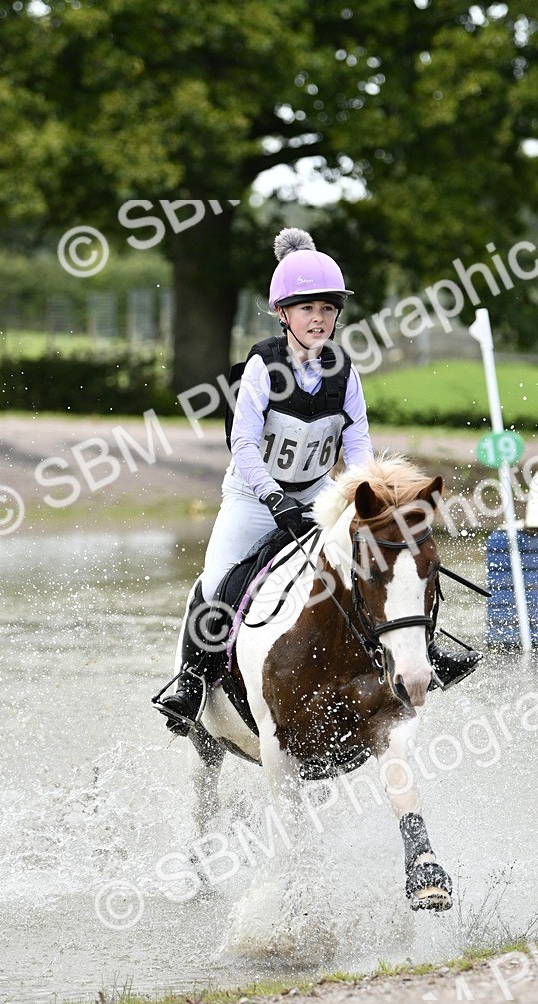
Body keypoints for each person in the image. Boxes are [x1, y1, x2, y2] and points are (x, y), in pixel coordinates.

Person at [156, 227, 479, 734]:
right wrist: (272, 497)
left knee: (383, 561)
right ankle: (192, 681)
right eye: (307, 308)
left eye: (328, 309)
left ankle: (425, 651)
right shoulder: (262, 367)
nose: (319, 318)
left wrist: (364, 499)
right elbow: (243, 445)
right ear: (282, 313)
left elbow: (357, 445)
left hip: (317, 495)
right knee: (217, 583)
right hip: (253, 497)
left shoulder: (344, 372)